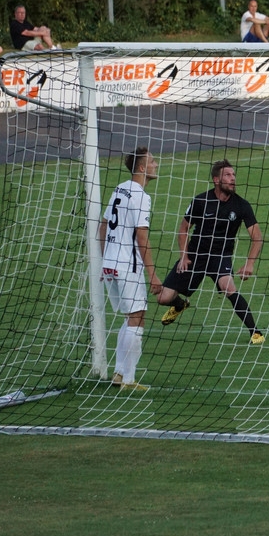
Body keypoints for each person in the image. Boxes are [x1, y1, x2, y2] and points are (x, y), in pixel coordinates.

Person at [157, 159, 266, 344]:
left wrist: (250, 263)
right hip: (195, 256)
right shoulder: (201, 201)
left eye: (233, 175)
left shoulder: (241, 205)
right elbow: (183, 229)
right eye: (227, 175)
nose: (233, 178)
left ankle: (255, 332)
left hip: (220, 256)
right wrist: (184, 256)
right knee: (163, 298)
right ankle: (180, 304)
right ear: (216, 180)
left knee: (228, 287)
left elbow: (257, 237)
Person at [98, 147, 162, 391]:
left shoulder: (119, 189)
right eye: (152, 161)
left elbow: (103, 225)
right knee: (137, 317)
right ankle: (128, 379)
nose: (156, 165)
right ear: (143, 168)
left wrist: (106, 258)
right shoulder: (141, 196)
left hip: (110, 264)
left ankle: (119, 373)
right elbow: (142, 238)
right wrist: (153, 275)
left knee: (130, 316)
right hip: (128, 265)